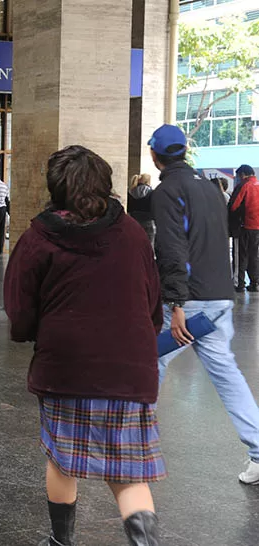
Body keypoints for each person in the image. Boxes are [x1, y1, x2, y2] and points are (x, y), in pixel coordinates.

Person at [4, 146, 165, 546]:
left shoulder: (38, 237)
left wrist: (28, 333)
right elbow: (152, 300)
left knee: (62, 457)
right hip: (129, 367)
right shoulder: (132, 233)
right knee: (129, 471)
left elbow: (20, 308)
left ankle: (61, 541)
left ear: (56, 187)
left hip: (66, 366)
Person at [149, 125, 259, 485]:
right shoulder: (211, 188)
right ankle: (258, 450)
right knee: (227, 376)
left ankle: (133, 441)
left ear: (155, 155)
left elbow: (171, 247)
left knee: (150, 360)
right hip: (219, 296)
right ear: (184, 151)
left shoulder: (167, 191)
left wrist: (176, 302)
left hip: (190, 302)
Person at [230, 165, 259, 293]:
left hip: (245, 226)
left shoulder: (244, 186)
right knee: (254, 256)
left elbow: (233, 206)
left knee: (240, 256)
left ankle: (239, 284)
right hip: (257, 227)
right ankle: (255, 283)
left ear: (242, 174)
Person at [127, 173, 156, 244]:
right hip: (148, 220)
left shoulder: (130, 192)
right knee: (149, 245)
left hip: (133, 220)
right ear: (147, 181)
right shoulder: (152, 192)